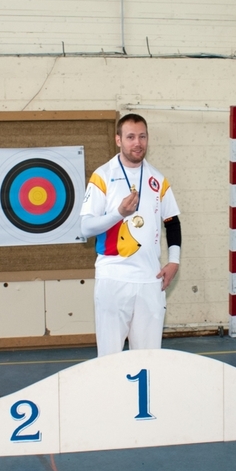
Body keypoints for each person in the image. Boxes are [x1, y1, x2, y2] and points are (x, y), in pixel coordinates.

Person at [80, 113, 181, 356]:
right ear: (118, 140)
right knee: (110, 357)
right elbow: (86, 228)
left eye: (142, 137)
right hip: (113, 278)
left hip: (150, 280)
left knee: (149, 358)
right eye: (131, 137)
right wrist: (119, 213)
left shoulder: (157, 179)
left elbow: (172, 221)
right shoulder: (102, 176)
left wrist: (174, 261)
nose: (138, 143)